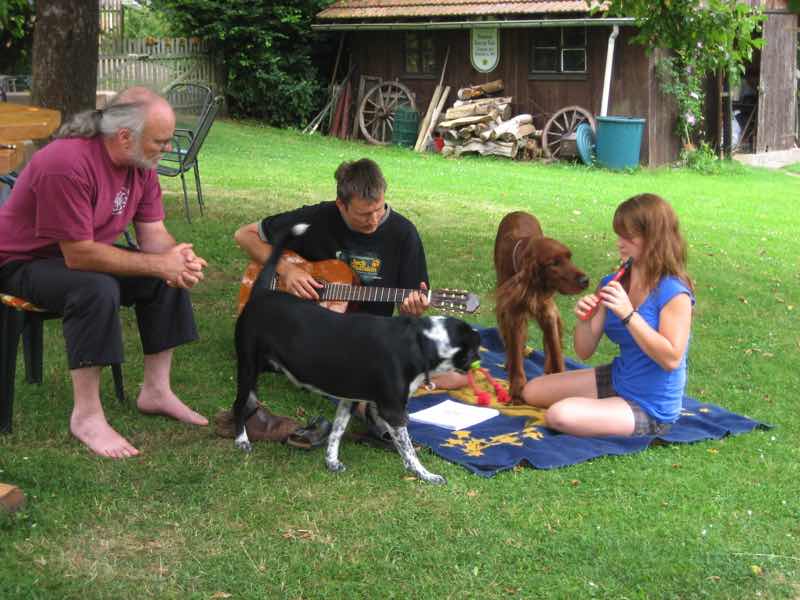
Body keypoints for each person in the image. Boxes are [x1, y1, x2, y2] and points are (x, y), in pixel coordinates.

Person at [0, 86, 209, 459]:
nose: (166, 149)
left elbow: (154, 235)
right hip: (21, 262)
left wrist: (177, 259)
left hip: (78, 255)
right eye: (159, 141)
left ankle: (156, 391)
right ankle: (87, 416)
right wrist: (159, 262)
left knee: (164, 275)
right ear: (125, 135)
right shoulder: (66, 162)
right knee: (95, 288)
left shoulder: (141, 167)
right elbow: (79, 256)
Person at [234, 158, 462, 442]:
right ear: (341, 204)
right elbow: (244, 235)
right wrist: (287, 269)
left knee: (445, 370)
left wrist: (411, 308)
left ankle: (373, 403)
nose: (374, 220)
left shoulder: (403, 234)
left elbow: (410, 310)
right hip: (308, 332)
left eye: (379, 209)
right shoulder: (317, 218)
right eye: (364, 214)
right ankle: (372, 408)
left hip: (368, 336)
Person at [520, 193, 694, 437]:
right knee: (532, 391)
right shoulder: (614, 282)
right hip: (619, 378)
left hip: (650, 404)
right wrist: (584, 320)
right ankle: (605, 406)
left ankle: (607, 411)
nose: (619, 243)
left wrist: (628, 315)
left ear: (653, 239)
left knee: (559, 415)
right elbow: (584, 351)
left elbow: (671, 359)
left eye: (628, 237)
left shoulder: (673, 292)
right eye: (618, 235)